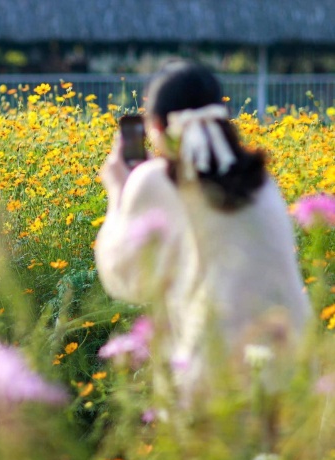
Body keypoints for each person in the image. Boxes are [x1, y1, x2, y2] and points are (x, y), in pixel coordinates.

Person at [94, 60, 311, 397]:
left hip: (217, 379)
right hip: (294, 370)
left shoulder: (157, 180)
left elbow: (125, 279)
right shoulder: (260, 181)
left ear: (157, 128)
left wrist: (118, 192)